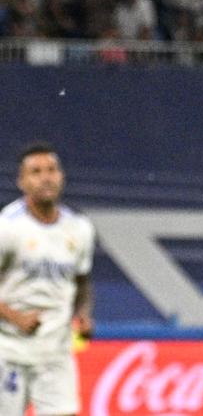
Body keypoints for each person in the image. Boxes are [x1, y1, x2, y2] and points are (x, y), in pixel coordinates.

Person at [0, 143, 95, 416]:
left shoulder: (79, 229)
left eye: (52, 170)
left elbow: (82, 282)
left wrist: (84, 314)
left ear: (62, 177)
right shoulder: (7, 227)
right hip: (9, 352)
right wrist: (14, 316)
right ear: (21, 182)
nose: (45, 177)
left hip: (55, 353)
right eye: (36, 171)